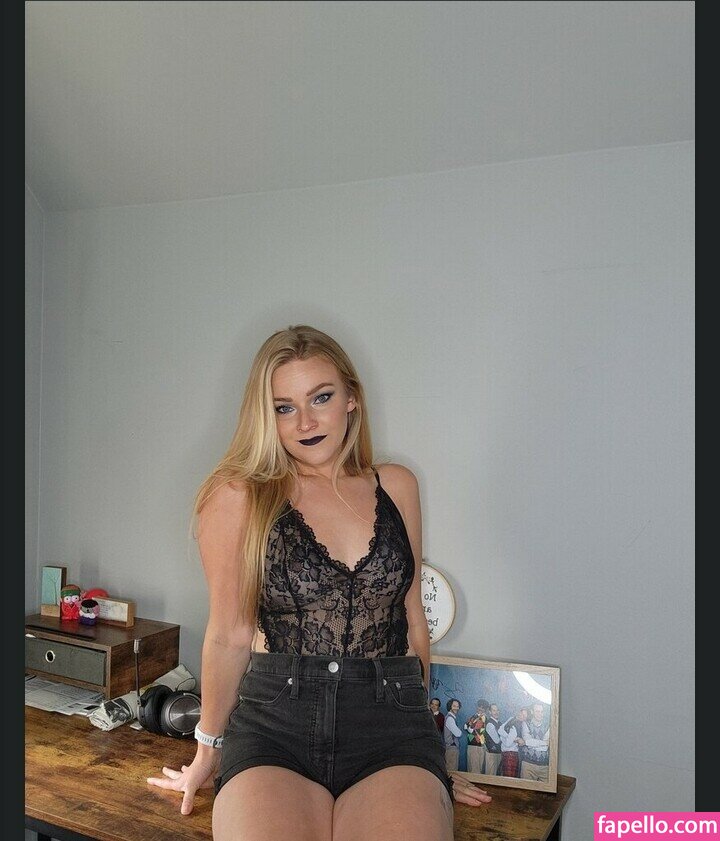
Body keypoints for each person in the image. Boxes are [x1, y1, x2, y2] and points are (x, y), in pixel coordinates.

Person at [147, 325, 491, 840]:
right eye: (284, 407)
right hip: (274, 725)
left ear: (352, 398)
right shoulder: (238, 496)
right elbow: (228, 634)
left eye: (321, 398)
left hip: (392, 724)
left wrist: (429, 755)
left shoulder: (397, 485)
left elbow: (412, 618)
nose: (305, 422)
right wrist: (207, 750)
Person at [517, 703, 550, 782]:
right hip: (528, 765)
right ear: (532, 712)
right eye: (537, 711)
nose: (540, 714)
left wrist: (527, 743)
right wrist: (545, 743)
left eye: (542, 711)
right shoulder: (525, 723)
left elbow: (545, 748)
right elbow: (529, 741)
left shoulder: (548, 725)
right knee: (525, 789)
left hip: (544, 767)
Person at [498, 707, 527, 778]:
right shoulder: (511, 718)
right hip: (505, 753)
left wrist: (504, 737)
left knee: (509, 778)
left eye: (524, 716)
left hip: (511, 755)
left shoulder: (521, 725)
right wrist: (512, 738)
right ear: (519, 712)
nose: (522, 716)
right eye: (522, 713)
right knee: (505, 777)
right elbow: (500, 730)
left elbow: (508, 743)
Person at [464, 698, 489, 774]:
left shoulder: (483, 718)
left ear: (485, 709)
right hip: (472, 744)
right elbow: (465, 726)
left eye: (483, 707)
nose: (480, 708)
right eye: (479, 706)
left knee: (475, 771)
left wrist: (469, 727)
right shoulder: (474, 716)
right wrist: (469, 727)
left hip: (477, 746)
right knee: (471, 769)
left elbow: (472, 731)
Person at [442, 699, 463, 773]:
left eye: (457, 706)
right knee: (452, 771)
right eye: (454, 706)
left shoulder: (451, 717)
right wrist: (460, 731)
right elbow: (458, 734)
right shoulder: (450, 718)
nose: (456, 708)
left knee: (451, 769)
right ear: (450, 706)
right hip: (451, 748)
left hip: (451, 747)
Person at [483, 703, 503, 775]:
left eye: (497, 710)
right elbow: (497, 740)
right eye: (494, 710)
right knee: (491, 775)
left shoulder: (500, 723)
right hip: (491, 754)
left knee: (498, 776)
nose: (496, 712)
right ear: (490, 712)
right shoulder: (489, 724)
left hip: (499, 753)